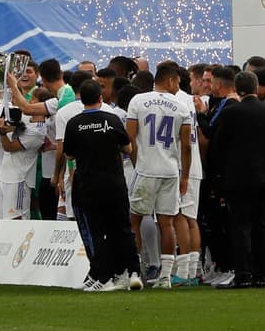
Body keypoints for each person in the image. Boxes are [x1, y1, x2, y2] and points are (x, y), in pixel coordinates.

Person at [205, 70, 265, 288]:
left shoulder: (230, 112)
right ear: (256, 88)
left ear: (237, 89)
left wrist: (219, 175)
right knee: (264, 226)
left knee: (241, 227)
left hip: (237, 179)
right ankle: (262, 275)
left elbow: (217, 146)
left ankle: (243, 275)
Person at [62, 79, 143, 291]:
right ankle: (133, 271)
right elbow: (128, 148)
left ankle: (105, 276)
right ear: (100, 98)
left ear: (81, 99)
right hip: (114, 182)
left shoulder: (74, 123)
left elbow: (68, 154)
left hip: (89, 184)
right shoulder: (112, 119)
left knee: (97, 231)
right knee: (123, 227)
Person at [125, 60, 192, 289]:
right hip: (170, 171)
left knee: (134, 220)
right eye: (178, 82)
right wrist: (185, 176)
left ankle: (135, 271)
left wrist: (137, 163)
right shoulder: (181, 106)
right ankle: (165, 277)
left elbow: (129, 139)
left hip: (146, 169)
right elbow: (186, 146)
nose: (178, 86)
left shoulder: (138, 101)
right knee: (167, 223)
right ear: (171, 80)